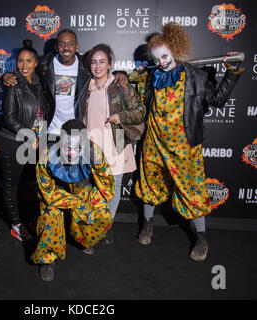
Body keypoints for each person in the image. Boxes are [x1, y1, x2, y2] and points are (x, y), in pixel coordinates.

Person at [130, 22, 243, 261]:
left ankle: (201, 237)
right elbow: (139, 99)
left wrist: (232, 73)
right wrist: (129, 76)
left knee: (191, 191)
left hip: (183, 147)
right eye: (156, 57)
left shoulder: (197, 77)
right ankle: (147, 225)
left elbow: (218, 100)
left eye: (164, 56)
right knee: (149, 185)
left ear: (175, 50)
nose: (160, 62)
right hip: (153, 143)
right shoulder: (151, 77)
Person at [2, 29, 128, 139]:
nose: (66, 48)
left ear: (77, 46)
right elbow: (26, 69)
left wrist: (120, 74)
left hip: (75, 131)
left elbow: (103, 71)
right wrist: (6, 76)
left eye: (70, 44)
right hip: (49, 130)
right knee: (48, 166)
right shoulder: (44, 64)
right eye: (62, 44)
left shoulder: (86, 66)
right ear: (56, 47)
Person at [77, 44, 146, 244]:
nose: (97, 66)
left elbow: (140, 110)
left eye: (102, 62)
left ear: (109, 65)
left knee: (113, 188)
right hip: (91, 146)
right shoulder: (85, 88)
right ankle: (92, 224)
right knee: (92, 188)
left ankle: (107, 225)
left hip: (115, 143)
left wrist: (120, 115)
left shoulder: (120, 85)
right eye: (93, 62)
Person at [31, 119, 115, 281]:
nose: (72, 152)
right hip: (56, 193)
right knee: (51, 217)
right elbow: (48, 193)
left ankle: (83, 239)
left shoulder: (93, 152)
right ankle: (48, 258)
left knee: (102, 214)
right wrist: (75, 203)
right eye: (67, 147)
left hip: (81, 187)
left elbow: (106, 182)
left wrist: (91, 205)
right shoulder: (47, 154)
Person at [0, 40, 52, 241]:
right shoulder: (12, 83)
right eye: (20, 61)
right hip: (14, 142)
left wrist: (41, 139)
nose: (24, 65)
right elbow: (10, 118)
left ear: (36, 63)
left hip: (37, 142)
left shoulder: (40, 82)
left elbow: (43, 114)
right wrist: (31, 137)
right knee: (12, 185)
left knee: (31, 184)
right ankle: (16, 225)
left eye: (28, 61)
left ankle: (30, 218)